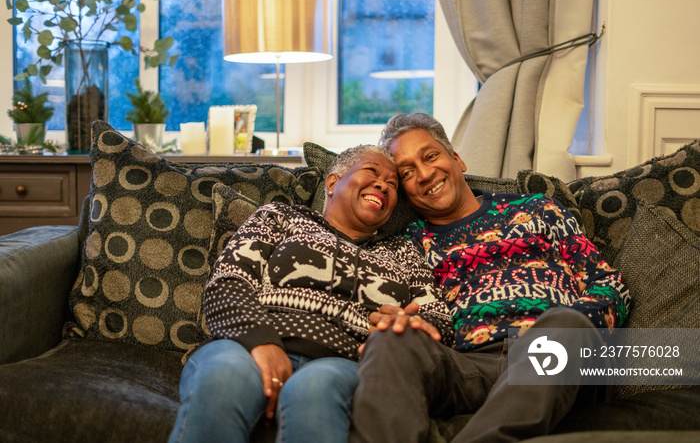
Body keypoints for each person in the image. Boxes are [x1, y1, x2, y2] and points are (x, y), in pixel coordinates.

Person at [349, 113, 632, 442]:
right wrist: (395, 318)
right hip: (466, 365)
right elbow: (399, 310)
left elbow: (610, 287)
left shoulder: (540, 210)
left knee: (566, 325)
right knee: (389, 338)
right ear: (405, 192)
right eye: (407, 173)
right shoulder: (409, 242)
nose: (424, 175)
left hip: (548, 356)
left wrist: (573, 325)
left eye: (430, 156)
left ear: (457, 159)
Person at [168, 144, 453, 443]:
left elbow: (440, 322)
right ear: (332, 183)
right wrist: (262, 342)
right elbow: (228, 282)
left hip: (343, 361)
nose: (383, 184)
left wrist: (407, 324)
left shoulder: (402, 252)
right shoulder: (280, 217)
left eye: (393, 184)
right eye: (371, 171)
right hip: (245, 345)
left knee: (315, 390)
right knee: (225, 379)